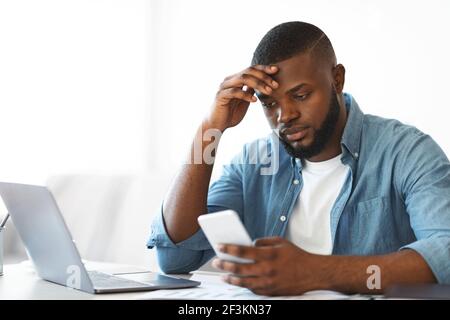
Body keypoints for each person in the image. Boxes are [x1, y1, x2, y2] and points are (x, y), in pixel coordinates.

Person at [147, 21, 450, 296]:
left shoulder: (405, 151)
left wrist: (314, 272)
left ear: (337, 79)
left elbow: (444, 255)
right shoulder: (255, 161)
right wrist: (209, 129)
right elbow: (175, 257)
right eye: (269, 103)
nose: (285, 115)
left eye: (301, 95)